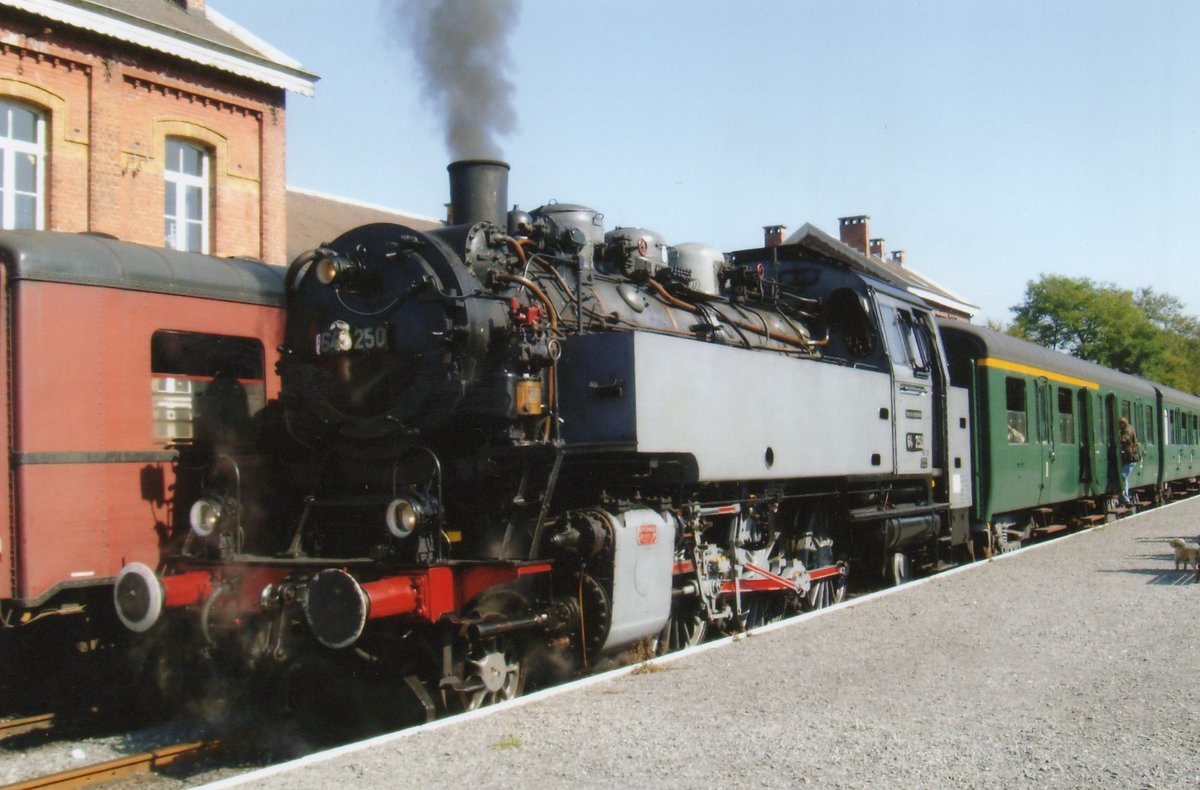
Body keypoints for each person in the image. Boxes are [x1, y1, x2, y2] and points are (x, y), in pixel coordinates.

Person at [1118, 416, 1140, 504]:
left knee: (1123, 476)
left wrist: (1118, 439)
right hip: (1130, 456)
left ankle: (1125, 496)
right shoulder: (1129, 428)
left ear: (1123, 424)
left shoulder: (1127, 430)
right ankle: (1125, 494)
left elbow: (1124, 438)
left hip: (1131, 456)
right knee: (1124, 476)